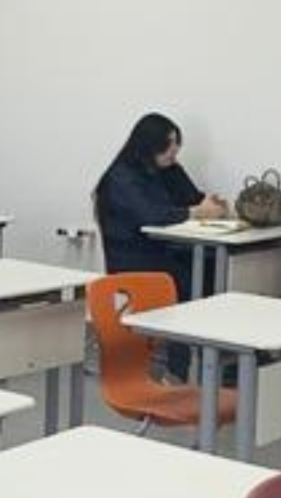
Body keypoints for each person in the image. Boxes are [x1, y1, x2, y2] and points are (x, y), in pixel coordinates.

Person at [94, 112, 231, 381]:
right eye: (169, 146)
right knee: (186, 282)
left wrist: (212, 204)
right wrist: (195, 212)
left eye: (176, 146)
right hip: (134, 257)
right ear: (149, 145)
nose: (174, 152)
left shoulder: (168, 169)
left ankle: (219, 362)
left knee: (214, 270)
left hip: (166, 250)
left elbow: (192, 198)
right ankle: (179, 370)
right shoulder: (122, 177)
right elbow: (150, 214)